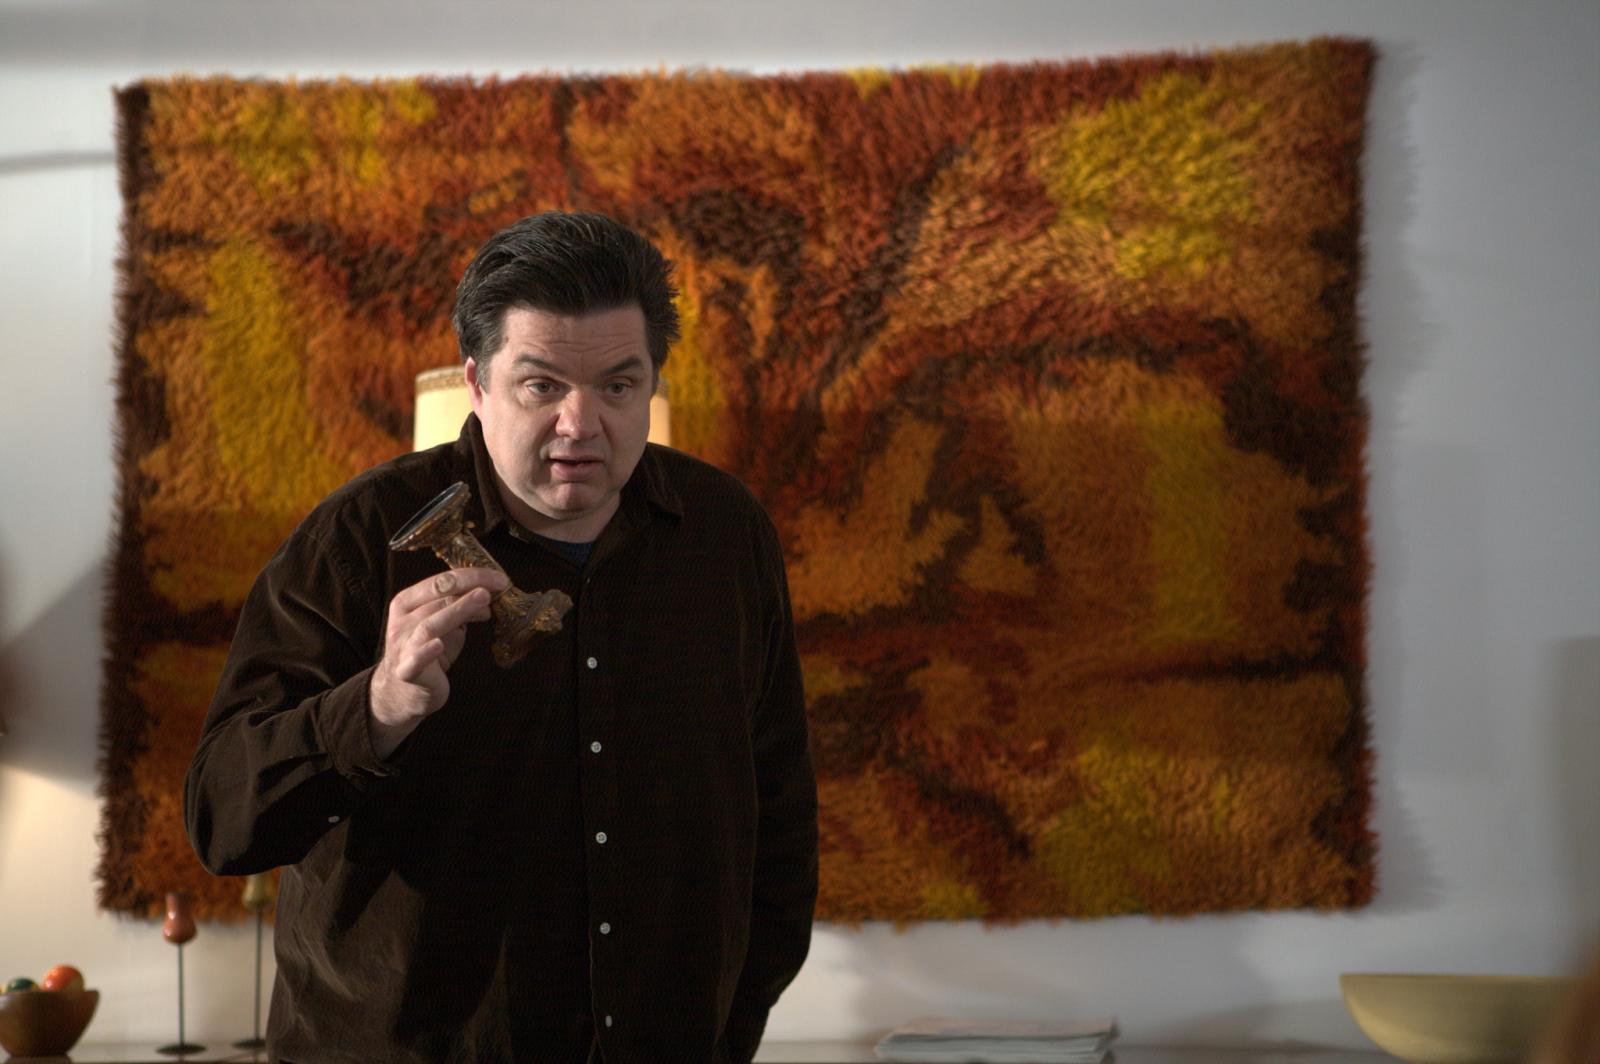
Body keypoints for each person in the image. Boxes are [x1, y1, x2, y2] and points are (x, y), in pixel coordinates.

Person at [184, 211, 819, 1064]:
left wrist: (729, 1027)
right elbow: (222, 823)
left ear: (652, 387)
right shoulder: (357, 540)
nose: (580, 423)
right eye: (541, 386)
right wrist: (375, 710)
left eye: (618, 386)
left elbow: (780, 814)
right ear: (477, 385)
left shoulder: (726, 534)